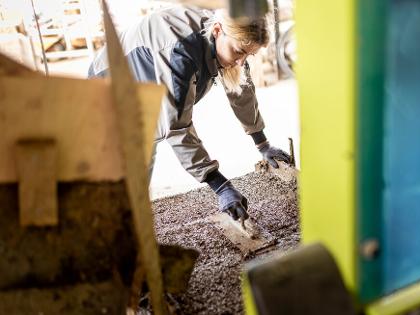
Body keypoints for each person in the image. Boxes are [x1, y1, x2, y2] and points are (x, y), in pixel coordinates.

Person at [88, 5, 291, 224]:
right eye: (240, 52)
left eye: (249, 55)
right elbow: (177, 127)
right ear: (216, 31)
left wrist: (263, 144)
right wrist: (220, 185)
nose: (242, 61)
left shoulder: (230, 40)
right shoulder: (181, 50)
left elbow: (242, 92)